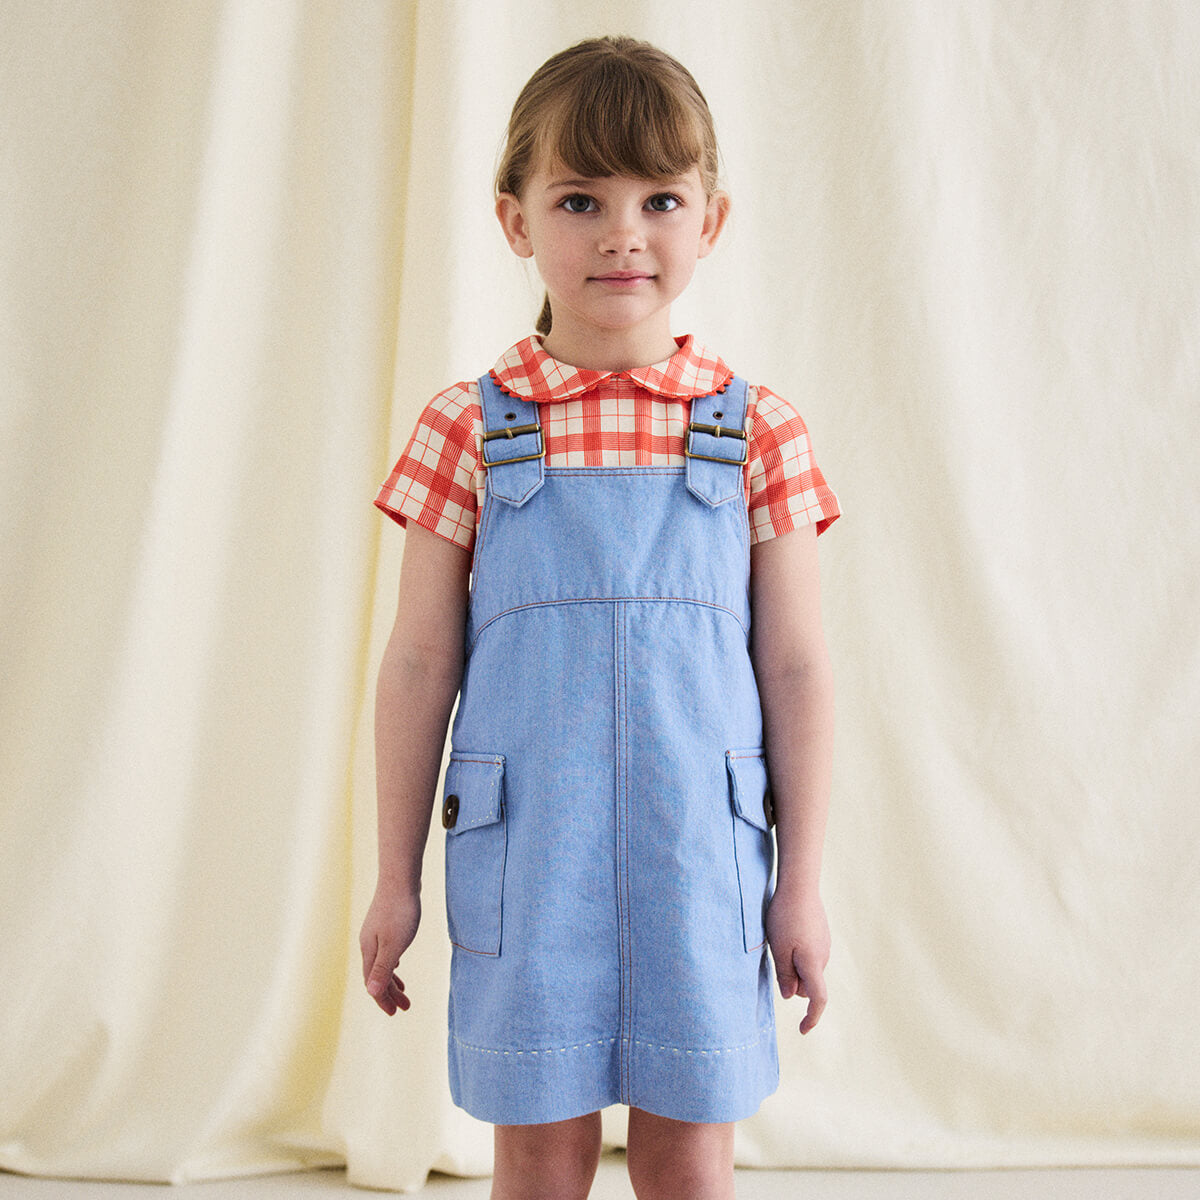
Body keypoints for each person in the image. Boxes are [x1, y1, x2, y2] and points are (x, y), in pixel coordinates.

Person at [359, 35, 840, 1200]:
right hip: (530, 855)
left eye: (659, 199)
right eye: (580, 199)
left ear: (711, 220)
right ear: (514, 219)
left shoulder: (758, 430)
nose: (623, 232)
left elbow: (795, 667)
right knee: (538, 1152)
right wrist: (394, 876)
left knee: (689, 1155)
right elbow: (419, 661)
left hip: (700, 855)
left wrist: (804, 881)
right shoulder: (467, 428)